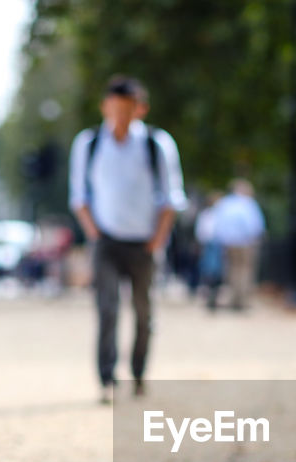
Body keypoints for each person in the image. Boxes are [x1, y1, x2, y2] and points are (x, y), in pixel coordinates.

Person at [68, 75, 186, 403]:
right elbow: (79, 196)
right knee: (107, 309)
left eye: (127, 109)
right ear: (105, 107)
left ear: (139, 110)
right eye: (114, 108)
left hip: (144, 241)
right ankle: (107, 378)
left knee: (144, 312)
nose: (119, 116)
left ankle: (138, 372)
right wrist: (94, 233)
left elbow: (171, 197)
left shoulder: (156, 145)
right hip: (106, 240)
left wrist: (157, 239)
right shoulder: (89, 144)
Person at [208, 179, 266, 311]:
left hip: (228, 242)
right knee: (245, 270)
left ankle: (234, 299)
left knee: (232, 270)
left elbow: (218, 224)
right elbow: (255, 225)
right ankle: (242, 300)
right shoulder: (248, 204)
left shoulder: (225, 203)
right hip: (245, 242)